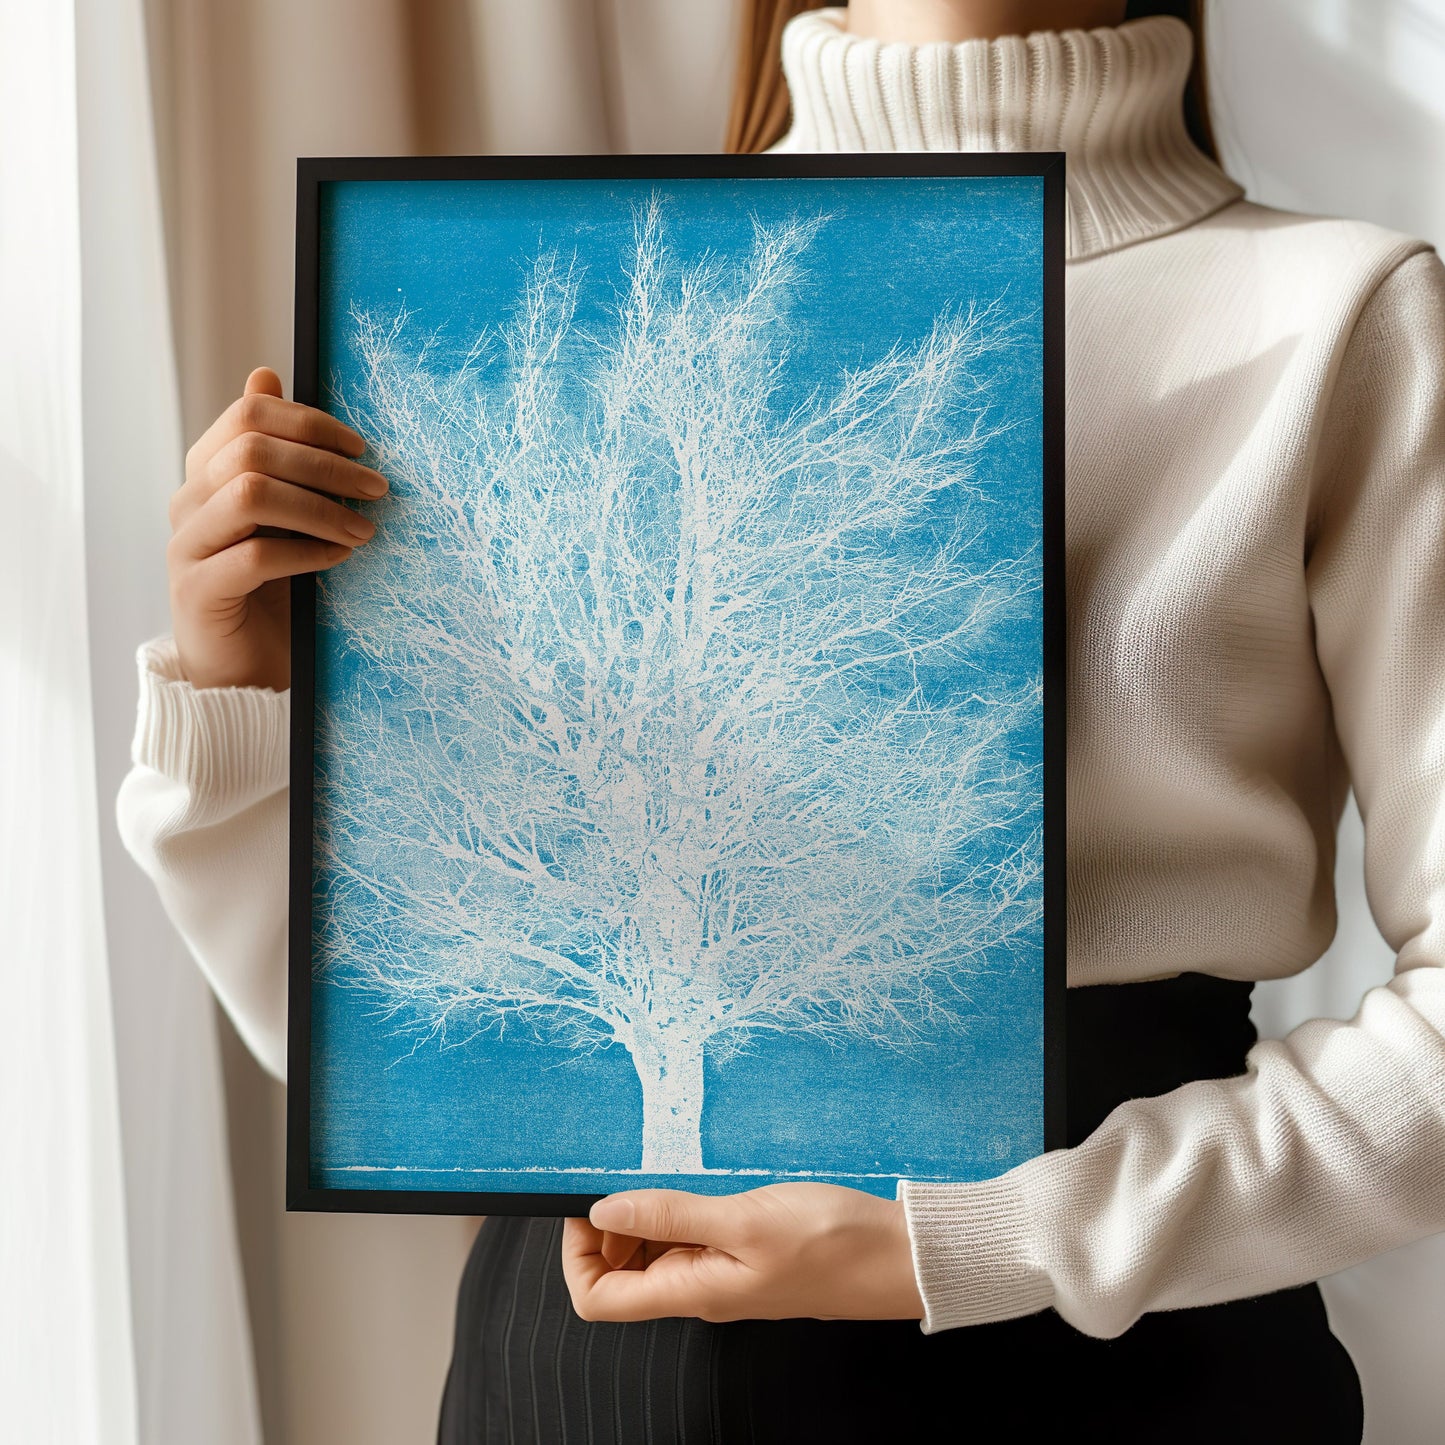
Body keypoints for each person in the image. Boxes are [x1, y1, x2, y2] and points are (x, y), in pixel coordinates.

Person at [118, 1, 1445, 1440]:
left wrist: (986, 1239)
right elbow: (397, 1031)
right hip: (576, 1356)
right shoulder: (579, 294)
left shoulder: (1334, 315)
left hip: (1101, 1356)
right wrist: (238, 680)